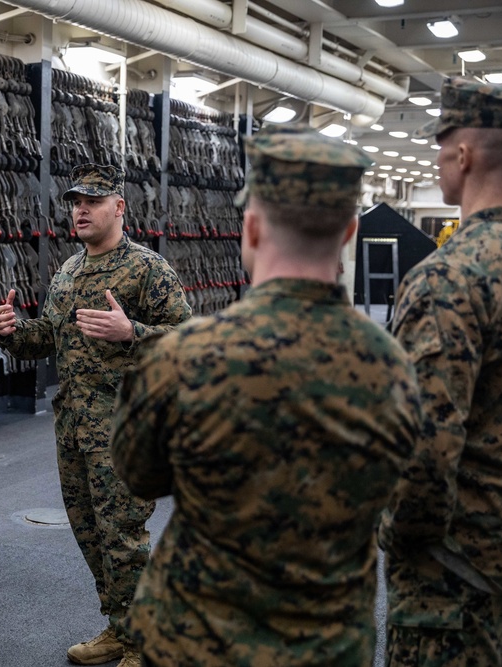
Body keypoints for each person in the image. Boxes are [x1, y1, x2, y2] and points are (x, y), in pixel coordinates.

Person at [109, 125, 421, 667]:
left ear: (251, 229)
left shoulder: (185, 356)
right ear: (349, 232)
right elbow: (411, 504)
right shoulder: (392, 367)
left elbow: (139, 476)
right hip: (328, 647)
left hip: (196, 642)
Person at [380, 77, 502, 665]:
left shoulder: (447, 277)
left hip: (460, 580)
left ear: (460, 155)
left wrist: (395, 537)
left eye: (440, 147)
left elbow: (424, 452)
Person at [0, 163, 191, 667]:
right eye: (75, 202)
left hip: (126, 428)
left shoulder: (147, 269)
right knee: (90, 533)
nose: (80, 210)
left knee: (123, 538)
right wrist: (14, 332)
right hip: (74, 428)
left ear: (119, 208)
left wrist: (134, 334)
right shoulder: (68, 271)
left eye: (92, 202)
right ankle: (120, 627)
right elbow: (47, 341)